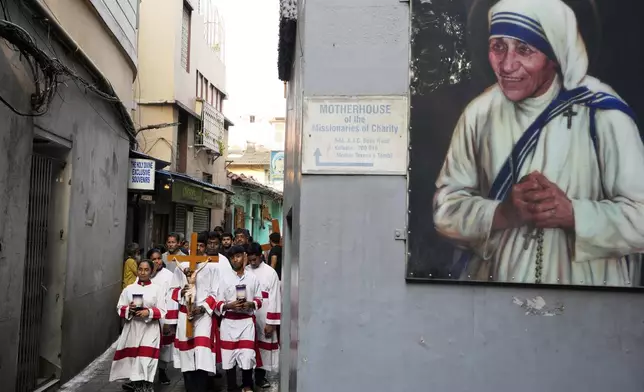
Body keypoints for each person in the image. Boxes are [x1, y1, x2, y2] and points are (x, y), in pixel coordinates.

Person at [433, 0, 644, 286]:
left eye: (524, 49)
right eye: (498, 47)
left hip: (588, 295)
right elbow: (446, 211)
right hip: (497, 290)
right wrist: (502, 213)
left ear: (554, 54)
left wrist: (573, 214)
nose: (507, 65)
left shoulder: (603, 114)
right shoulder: (479, 115)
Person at [169, 233, 220, 391]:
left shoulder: (211, 266)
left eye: (200, 245)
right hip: (185, 315)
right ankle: (190, 387)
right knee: (186, 355)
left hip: (203, 316)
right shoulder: (182, 267)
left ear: (205, 248)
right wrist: (182, 293)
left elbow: (216, 293)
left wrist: (202, 307)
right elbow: (172, 290)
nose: (197, 248)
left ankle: (202, 387)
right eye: (194, 245)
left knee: (202, 353)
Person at [110, 259, 166, 392]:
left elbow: (163, 310)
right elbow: (119, 308)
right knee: (134, 362)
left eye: (146, 270)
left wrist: (148, 312)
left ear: (151, 271)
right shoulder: (129, 289)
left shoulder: (157, 289)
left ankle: (147, 387)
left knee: (146, 361)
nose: (143, 272)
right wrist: (129, 309)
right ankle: (137, 387)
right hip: (133, 329)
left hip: (150, 330)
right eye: (140, 269)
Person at [215, 245, 263, 392]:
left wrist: (250, 304)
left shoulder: (252, 278)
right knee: (228, 358)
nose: (235, 260)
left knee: (247, 356)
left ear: (244, 256)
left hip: (246, 323)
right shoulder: (224, 279)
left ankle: (247, 385)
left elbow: (259, 299)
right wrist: (229, 306)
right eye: (232, 257)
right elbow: (218, 303)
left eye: (238, 256)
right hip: (228, 323)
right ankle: (231, 387)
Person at [245, 243, 281, 388]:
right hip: (247, 314)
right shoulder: (244, 270)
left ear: (261, 256)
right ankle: (246, 380)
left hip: (264, 314)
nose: (252, 263)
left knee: (262, 348)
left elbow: (275, 298)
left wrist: (271, 322)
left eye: (255, 260)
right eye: (250, 260)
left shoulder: (270, 272)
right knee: (247, 347)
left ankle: (260, 378)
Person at [147, 249, 175, 385]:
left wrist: (169, 322)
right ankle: (145, 375)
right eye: (153, 259)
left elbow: (170, 299)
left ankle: (162, 371)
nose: (157, 261)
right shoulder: (145, 273)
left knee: (164, 346)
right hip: (147, 317)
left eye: (159, 258)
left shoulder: (168, 275)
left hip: (163, 316)